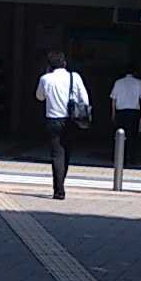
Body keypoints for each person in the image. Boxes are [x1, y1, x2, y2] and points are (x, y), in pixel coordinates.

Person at [37, 51, 90, 200]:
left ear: (49, 65)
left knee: (56, 154)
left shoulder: (45, 78)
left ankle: (58, 189)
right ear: (64, 63)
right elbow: (85, 99)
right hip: (71, 120)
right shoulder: (75, 77)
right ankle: (61, 183)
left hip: (53, 119)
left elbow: (39, 97)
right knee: (67, 152)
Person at [109, 66, 141, 166]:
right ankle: (132, 158)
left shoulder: (118, 82)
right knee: (133, 136)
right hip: (134, 112)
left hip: (120, 112)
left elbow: (113, 99)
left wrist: (113, 113)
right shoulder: (139, 82)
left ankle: (119, 157)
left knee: (119, 136)